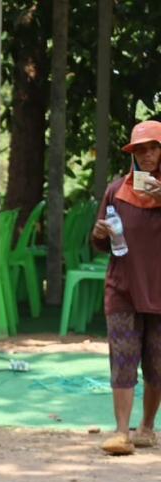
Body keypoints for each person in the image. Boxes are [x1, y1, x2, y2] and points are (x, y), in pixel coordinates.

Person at [90, 119, 161, 456]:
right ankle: (122, 432)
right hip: (122, 288)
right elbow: (101, 241)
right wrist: (100, 235)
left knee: (158, 363)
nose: (147, 156)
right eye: (140, 150)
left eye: (153, 148)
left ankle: (147, 427)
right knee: (123, 359)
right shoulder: (116, 190)